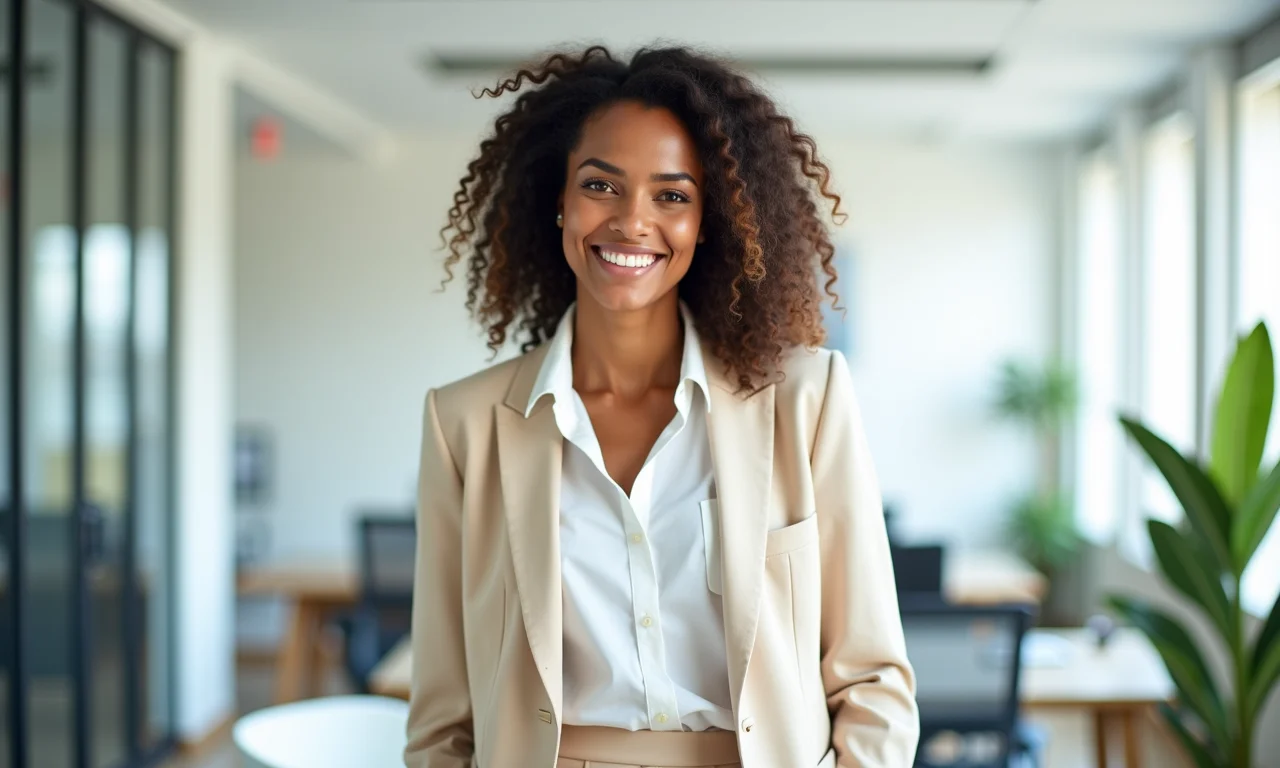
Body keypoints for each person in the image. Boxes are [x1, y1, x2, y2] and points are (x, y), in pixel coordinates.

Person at [404, 45, 918, 768]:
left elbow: (874, 680)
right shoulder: (463, 426)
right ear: (559, 199)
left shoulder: (806, 399)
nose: (632, 221)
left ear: (709, 220)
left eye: (671, 195)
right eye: (601, 186)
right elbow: (442, 718)